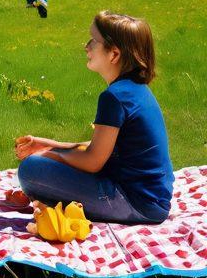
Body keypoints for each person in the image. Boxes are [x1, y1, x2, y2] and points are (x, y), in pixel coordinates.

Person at [14, 11, 173, 224]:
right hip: (151, 201)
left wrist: (51, 155)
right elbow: (101, 148)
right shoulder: (134, 90)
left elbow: (93, 161)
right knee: (39, 163)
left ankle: (51, 202)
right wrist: (50, 145)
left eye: (93, 41)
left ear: (114, 54)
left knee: (30, 169)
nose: (86, 46)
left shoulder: (114, 97)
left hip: (134, 202)